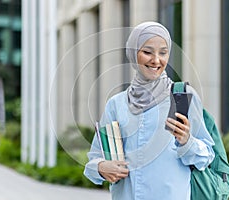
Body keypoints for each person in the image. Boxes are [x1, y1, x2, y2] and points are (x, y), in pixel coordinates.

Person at [84, 21, 215, 200]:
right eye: (147, 52)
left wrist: (187, 141)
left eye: (163, 52)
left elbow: (206, 156)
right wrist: (100, 167)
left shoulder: (181, 97)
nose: (156, 60)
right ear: (133, 53)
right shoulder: (116, 104)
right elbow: (95, 157)